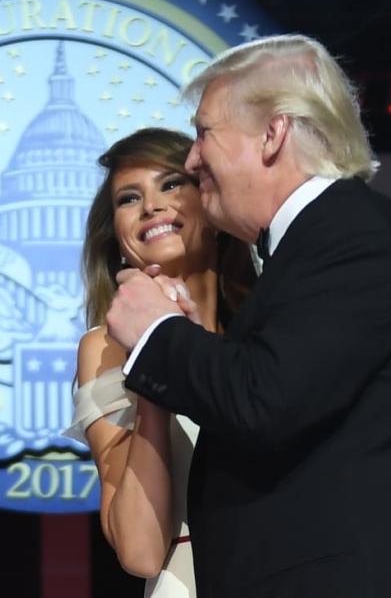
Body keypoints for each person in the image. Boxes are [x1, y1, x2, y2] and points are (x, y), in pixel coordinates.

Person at [106, 35, 391, 598]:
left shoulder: (348, 233)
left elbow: (265, 399)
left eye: (204, 133)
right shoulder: (320, 244)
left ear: (273, 134)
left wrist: (156, 333)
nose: (193, 158)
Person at [65, 128, 254, 597]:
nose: (151, 206)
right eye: (130, 198)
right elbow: (141, 552)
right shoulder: (105, 349)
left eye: (171, 184)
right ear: (118, 239)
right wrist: (153, 364)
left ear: (210, 204)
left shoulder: (272, 329)